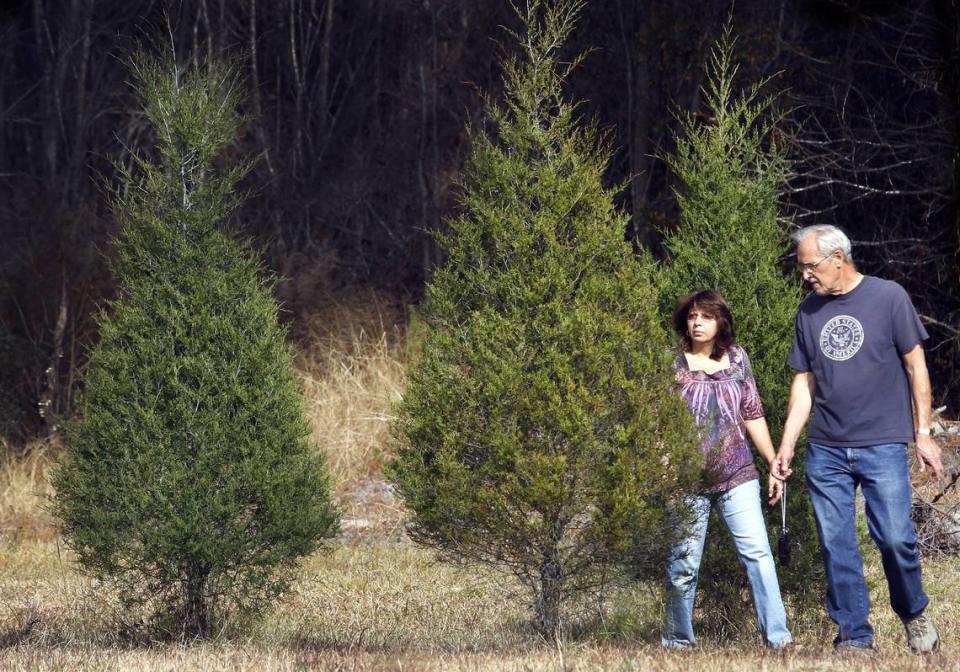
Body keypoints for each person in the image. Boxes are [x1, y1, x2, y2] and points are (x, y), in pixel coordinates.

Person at [772, 224, 943, 654]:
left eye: (810, 266)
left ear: (837, 259)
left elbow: (915, 367)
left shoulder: (888, 297)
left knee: (895, 538)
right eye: (801, 268)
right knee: (836, 543)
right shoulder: (809, 312)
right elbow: (803, 384)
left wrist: (922, 433)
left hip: (882, 441)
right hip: (826, 447)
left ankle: (913, 613)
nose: (805, 275)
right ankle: (854, 636)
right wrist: (787, 444)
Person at [662, 289, 792, 650]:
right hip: (685, 479)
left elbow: (752, 413)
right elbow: (655, 420)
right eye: (692, 316)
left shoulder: (738, 359)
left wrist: (773, 462)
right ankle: (677, 642)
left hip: (738, 474)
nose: (697, 322)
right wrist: (662, 463)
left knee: (759, 557)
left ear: (721, 321)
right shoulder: (671, 363)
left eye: (705, 316)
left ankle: (778, 640)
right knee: (683, 564)